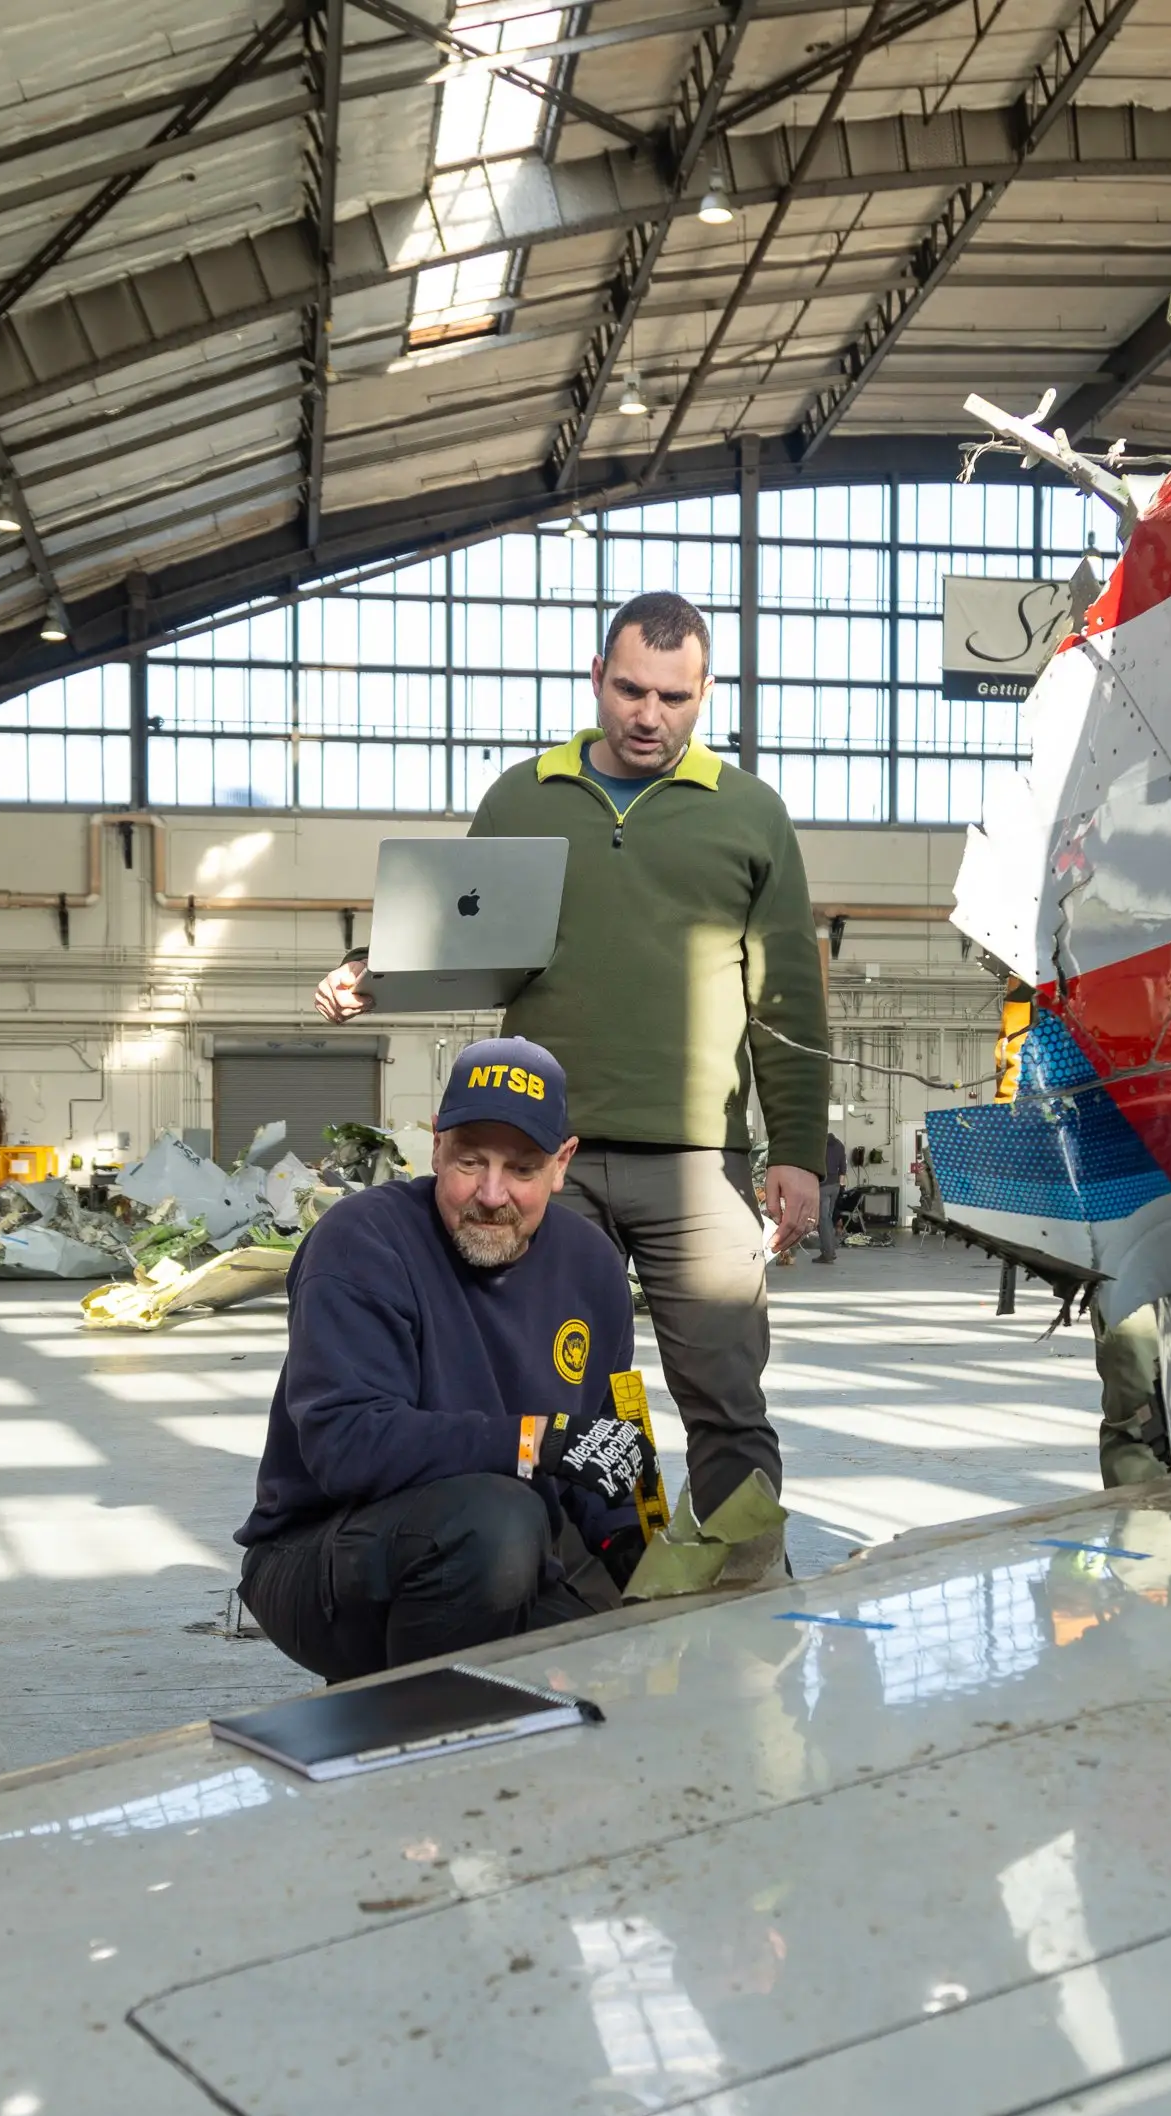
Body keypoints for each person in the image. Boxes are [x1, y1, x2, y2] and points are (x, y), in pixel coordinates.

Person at [314, 593, 827, 1554]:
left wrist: (798, 1149)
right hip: (542, 1162)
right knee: (556, 1399)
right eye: (630, 689)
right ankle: (585, 1580)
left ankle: (747, 1588)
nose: (648, 715)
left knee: (725, 1393)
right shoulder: (525, 795)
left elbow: (789, 1003)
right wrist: (367, 970)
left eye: (674, 697)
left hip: (698, 1165)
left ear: (704, 693)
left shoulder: (752, 816)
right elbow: (453, 922)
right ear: (597, 678)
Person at [235, 1040, 656, 1680]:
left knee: (612, 1677)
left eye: (521, 1169)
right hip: (324, 1553)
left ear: (561, 1164)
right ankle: (417, 1742)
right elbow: (347, 1447)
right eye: (470, 1161)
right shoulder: (362, 1240)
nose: (491, 1194)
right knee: (494, 1523)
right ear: (435, 1145)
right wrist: (533, 1442)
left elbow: (609, 1435)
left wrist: (638, 1545)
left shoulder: (594, 1266)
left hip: (507, 1554)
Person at [814, 1128, 847, 1264]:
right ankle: (828, 1250)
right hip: (835, 1187)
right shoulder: (839, 1145)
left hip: (822, 1186)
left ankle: (828, 1253)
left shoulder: (818, 1146)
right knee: (828, 1219)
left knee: (823, 1220)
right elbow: (843, 1169)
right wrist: (841, 1187)